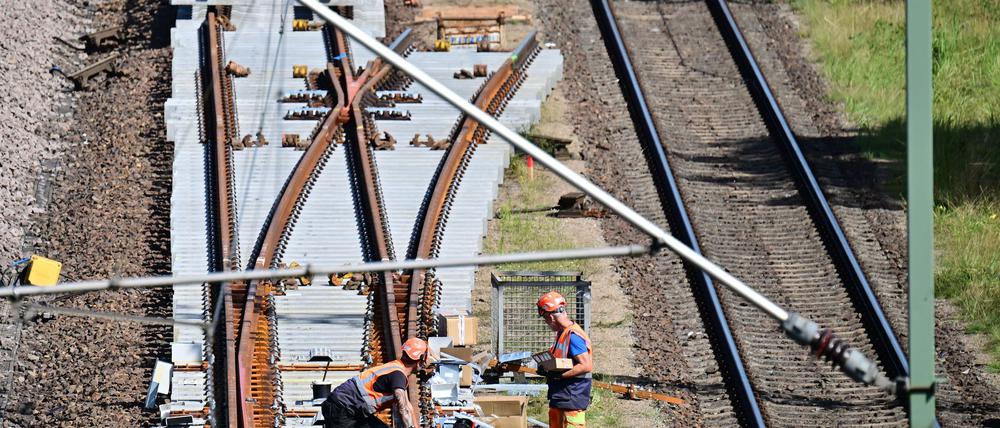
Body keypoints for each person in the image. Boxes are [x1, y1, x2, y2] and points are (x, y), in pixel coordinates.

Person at [321, 337, 427, 428]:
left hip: (351, 410)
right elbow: (403, 409)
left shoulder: (397, 369)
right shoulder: (398, 375)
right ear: (420, 359)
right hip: (341, 410)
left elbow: (408, 407)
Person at [537, 291, 593, 428]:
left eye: (545, 320)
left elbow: (586, 365)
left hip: (573, 393)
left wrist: (560, 376)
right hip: (562, 392)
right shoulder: (563, 332)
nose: (547, 324)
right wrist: (546, 367)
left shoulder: (573, 336)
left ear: (550, 317)